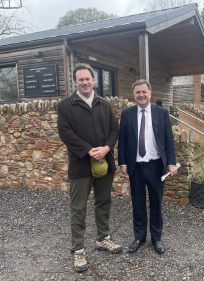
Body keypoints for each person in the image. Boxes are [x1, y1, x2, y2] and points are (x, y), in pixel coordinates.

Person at [57, 63, 122, 273]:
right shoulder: (66, 106)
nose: (85, 82)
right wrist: (88, 150)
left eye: (88, 79)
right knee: (78, 208)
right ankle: (78, 249)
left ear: (94, 80)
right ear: (75, 82)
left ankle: (103, 238)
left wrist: (106, 148)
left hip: (105, 163)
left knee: (103, 202)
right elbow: (65, 133)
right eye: (80, 79)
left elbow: (114, 129)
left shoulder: (104, 104)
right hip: (80, 165)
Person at [118, 79, 177, 254]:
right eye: (138, 92)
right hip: (135, 166)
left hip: (156, 165)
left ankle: (156, 238)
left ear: (150, 93)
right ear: (134, 95)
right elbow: (122, 140)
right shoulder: (127, 113)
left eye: (144, 92)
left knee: (156, 203)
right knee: (137, 203)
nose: (141, 95)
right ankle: (139, 237)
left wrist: (171, 163)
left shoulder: (162, 113)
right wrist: (122, 162)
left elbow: (169, 140)